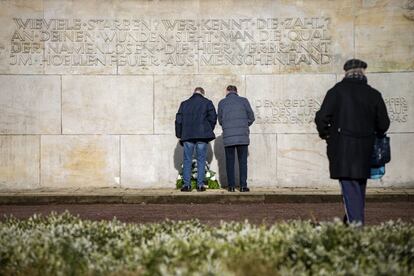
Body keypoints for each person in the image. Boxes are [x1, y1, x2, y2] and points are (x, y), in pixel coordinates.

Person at [315, 59, 390, 225]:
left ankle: (356, 226)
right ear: (363, 73)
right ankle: (352, 221)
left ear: (346, 72)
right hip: (365, 149)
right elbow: (383, 124)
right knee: (358, 188)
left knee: (349, 188)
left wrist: (327, 135)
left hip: (342, 148)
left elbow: (321, 118)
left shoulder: (336, 92)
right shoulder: (373, 94)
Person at [175, 87, 217, 192]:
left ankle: (187, 185)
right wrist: (207, 129)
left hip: (188, 135)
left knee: (187, 160)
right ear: (203, 93)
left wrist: (180, 134)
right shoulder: (207, 102)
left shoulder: (184, 104)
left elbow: (178, 120)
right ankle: (200, 185)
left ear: (194, 92)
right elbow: (213, 118)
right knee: (201, 160)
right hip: (202, 135)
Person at [218, 85, 255, 192]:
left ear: (227, 91)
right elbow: (251, 117)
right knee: (243, 162)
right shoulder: (244, 101)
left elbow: (220, 120)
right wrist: (244, 124)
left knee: (230, 162)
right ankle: (243, 186)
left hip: (228, 137)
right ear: (236, 91)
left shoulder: (222, 102)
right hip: (242, 136)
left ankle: (231, 187)